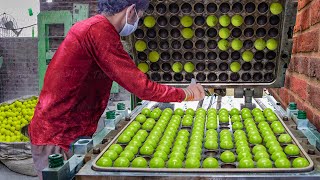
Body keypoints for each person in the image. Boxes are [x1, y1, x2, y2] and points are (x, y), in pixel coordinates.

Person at [27, 0, 205, 179]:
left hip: (69, 129)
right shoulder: (98, 31)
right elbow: (140, 87)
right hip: (58, 134)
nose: (138, 22)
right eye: (140, 17)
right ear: (131, 11)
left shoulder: (93, 27)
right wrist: (186, 94)